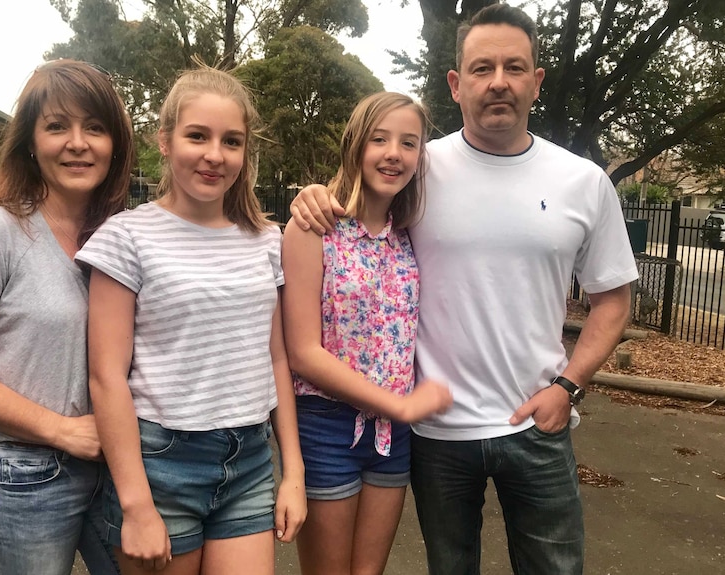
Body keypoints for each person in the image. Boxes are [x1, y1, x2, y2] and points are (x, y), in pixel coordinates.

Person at [288, 3, 639, 574]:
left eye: (513, 67)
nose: (498, 81)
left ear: (536, 80)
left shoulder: (584, 181)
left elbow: (613, 299)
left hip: (536, 424)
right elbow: (358, 200)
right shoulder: (416, 168)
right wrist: (311, 194)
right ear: (456, 83)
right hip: (435, 431)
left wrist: (568, 386)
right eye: (481, 68)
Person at [74, 64, 307, 575]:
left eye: (232, 141)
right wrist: (135, 504)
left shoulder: (267, 240)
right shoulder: (126, 237)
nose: (214, 155)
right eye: (197, 136)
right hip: (160, 466)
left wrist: (293, 473)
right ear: (165, 139)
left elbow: (276, 358)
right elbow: (106, 376)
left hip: (249, 462)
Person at [0, 59, 135, 575]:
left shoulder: (121, 235)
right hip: (21, 472)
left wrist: (317, 202)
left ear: (115, 145)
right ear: (31, 142)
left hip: (115, 463)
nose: (77, 142)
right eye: (57, 126)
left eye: (95, 128)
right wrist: (60, 431)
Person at [281, 91, 453, 575]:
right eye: (380, 139)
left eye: (408, 143)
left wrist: (398, 412)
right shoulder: (313, 228)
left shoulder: (410, 233)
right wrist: (397, 405)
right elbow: (302, 351)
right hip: (327, 425)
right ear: (356, 144)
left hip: (391, 437)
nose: (393, 153)